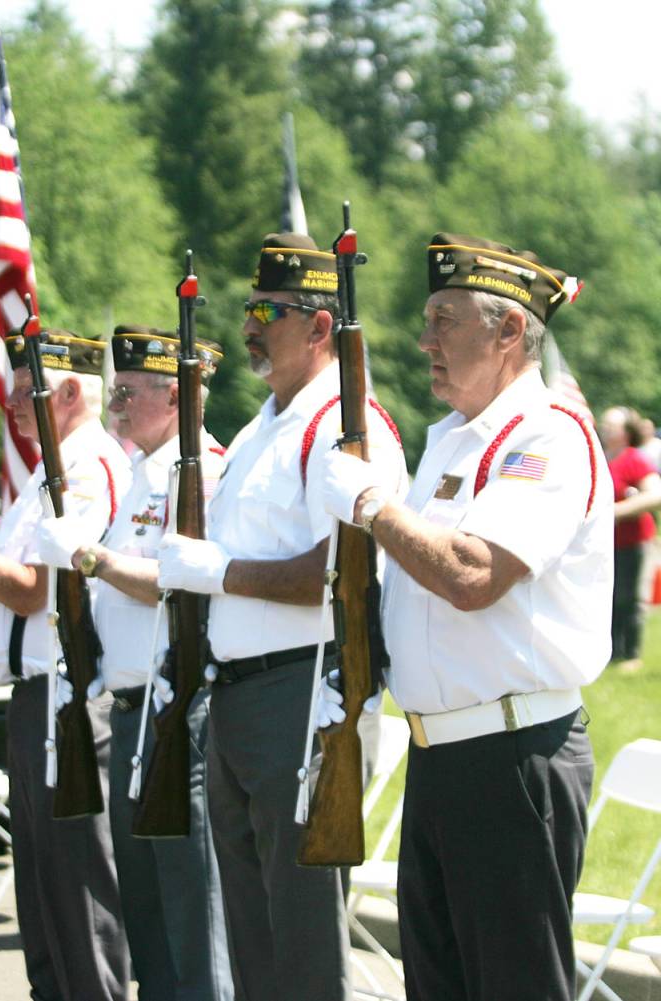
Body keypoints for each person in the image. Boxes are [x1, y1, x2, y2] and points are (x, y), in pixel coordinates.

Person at [318, 232, 612, 1001]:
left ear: (510, 330)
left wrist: (372, 504)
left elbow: (474, 575)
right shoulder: (449, 439)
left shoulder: (547, 434)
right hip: (443, 755)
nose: (426, 341)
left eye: (446, 320)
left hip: (513, 754)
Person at [157, 233, 407, 1001]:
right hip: (239, 695)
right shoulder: (264, 425)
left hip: (302, 696)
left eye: (268, 309)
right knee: (251, 927)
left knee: (299, 933)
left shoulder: (344, 425)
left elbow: (335, 578)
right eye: (249, 309)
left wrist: (217, 572)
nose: (249, 327)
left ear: (321, 325)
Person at [0, 329, 132, 1001]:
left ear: (68, 391)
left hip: (67, 697)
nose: (11, 406)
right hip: (34, 695)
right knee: (44, 895)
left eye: (22, 393)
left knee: (77, 896)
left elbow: (35, 590)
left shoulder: (86, 467)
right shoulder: (52, 468)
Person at [37, 326, 233, 1001]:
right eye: (115, 393)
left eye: (127, 393)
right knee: (147, 912)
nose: (114, 407)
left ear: (174, 394)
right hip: (129, 712)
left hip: (175, 710)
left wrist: (90, 557)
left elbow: (172, 581)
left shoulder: (202, 470)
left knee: (191, 912)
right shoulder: (142, 473)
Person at [600, 405, 661, 673]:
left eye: (611, 426)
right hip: (605, 543)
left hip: (634, 540)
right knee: (609, 598)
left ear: (626, 431)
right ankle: (613, 654)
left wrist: (614, 512)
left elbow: (654, 495)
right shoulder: (602, 458)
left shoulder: (634, 458)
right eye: (604, 424)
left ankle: (632, 655)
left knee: (631, 597)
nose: (605, 429)